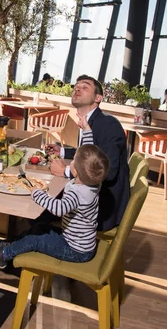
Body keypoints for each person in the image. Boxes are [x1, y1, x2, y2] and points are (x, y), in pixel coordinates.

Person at [0, 145, 110, 269]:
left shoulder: (78, 194)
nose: (71, 162)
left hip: (74, 250)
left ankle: (3, 255)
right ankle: (13, 244)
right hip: (79, 244)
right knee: (40, 227)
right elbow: (88, 160)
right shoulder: (93, 184)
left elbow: (59, 209)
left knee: (36, 240)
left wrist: (37, 194)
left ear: (76, 172)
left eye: (74, 159)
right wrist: (86, 129)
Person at [45, 75, 130, 232]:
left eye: (85, 87)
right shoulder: (91, 120)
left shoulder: (108, 125)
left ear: (98, 98)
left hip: (102, 208)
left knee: (41, 205)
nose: (77, 89)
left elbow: (108, 172)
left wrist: (65, 171)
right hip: (94, 198)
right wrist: (62, 150)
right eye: (76, 86)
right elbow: (90, 151)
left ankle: (22, 246)